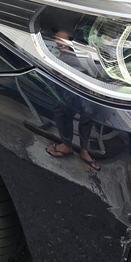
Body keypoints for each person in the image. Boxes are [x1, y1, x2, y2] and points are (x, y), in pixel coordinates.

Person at [45, 30, 101, 171]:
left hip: (90, 68)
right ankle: (72, 146)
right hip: (86, 70)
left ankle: (78, 148)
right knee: (66, 109)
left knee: (82, 112)